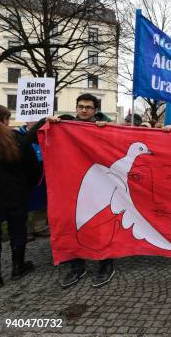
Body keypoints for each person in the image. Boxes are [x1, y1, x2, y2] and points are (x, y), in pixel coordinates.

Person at [48, 93, 116, 288]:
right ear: (76, 108)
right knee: (72, 224)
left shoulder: (104, 127)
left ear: (95, 110)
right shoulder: (63, 127)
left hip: (100, 186)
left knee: (101, 225)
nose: (84, 110)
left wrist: (106, 127)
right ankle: (77, 266)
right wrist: (49, 122)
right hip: (70, 186)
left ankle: (106, 263)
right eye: (80, 106)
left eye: (88, 107)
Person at [0, 104, 40, 289]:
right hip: (17, 194)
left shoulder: (18, 138)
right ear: (6, 119)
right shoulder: (19, 139)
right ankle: (17, 267)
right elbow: (34, 168)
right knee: (17, 230)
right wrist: (26, 186)